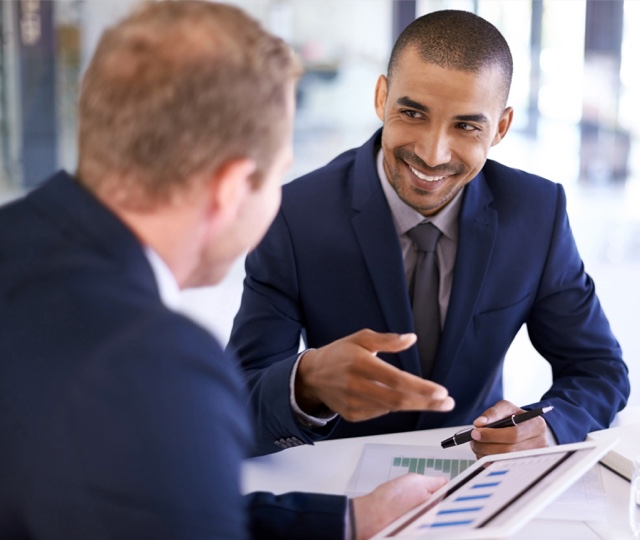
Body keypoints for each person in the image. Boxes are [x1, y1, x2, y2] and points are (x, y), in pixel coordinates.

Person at [0, 2, 448, 539]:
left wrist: (349, 520)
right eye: (280, 172)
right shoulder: (156, 370)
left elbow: (145, 503)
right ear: (231, 189)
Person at [228, 9, 630, 458]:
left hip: (474, 477)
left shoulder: (537, 213)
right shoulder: (294, 216)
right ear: (382, 97)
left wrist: (550, 427)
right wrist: (305, 384)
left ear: (499, 127)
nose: (432, 154)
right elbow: (236, 403)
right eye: (413, 112)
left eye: (466, 125)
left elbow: (599, 369)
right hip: (337, 483)